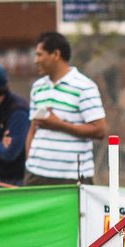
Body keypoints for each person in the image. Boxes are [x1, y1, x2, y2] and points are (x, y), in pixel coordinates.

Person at [25, 31, 106, 186]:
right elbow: (32, 129)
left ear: (56, 54)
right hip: (36, 175)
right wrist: (29, 162)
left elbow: (99, 130)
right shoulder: (37, 87)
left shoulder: (84, 87)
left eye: (40, 55)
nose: (35, 61)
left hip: (72, 177)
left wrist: (59, 125)